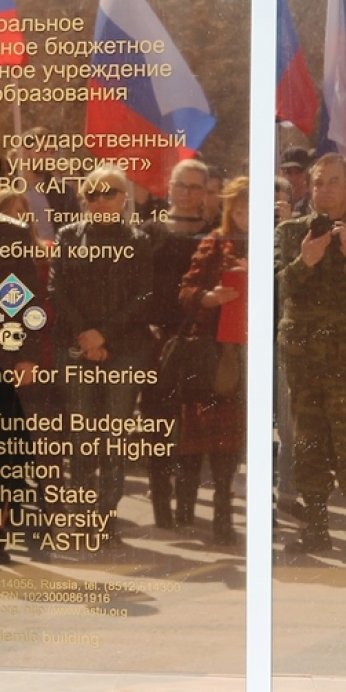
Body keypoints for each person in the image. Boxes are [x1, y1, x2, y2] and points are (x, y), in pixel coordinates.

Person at [275, 154, 346, 559]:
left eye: (333, 182)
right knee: (309, 442)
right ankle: (318, 530)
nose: (324, 189)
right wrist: (303, 261)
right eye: (319, 181)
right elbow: (277, 287)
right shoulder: (291, 232)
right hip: (304, 355)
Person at [50, 165, 154, 538]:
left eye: (108, 193)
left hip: (124, 349)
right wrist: (85, 335)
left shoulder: (139, 240)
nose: (99, 201)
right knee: (80, 434)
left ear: (123, 197)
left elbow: (144, 296)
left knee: (113, 434)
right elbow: (57, 290)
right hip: (76, 347)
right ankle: (80, 514)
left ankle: (106, 514)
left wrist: (103, 335)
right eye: (91, 194)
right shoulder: (67, 236)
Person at [175, 177, 249, 546]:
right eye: (239, 208)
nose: (245, 215)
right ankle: (196, 509)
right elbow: (186, 291)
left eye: (251, 208)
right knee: (207, 435)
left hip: (253, 350)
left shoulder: (278, 243)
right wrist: (210, 297)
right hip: (215, 352)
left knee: (235, 441)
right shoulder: (214, 243)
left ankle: (224, 510)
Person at [143, 158, 212, 529]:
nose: (187, 193)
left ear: (205, 192)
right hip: (156, 342)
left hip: (199, 344)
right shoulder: (148, 232)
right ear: (170, 187)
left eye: (195, 187)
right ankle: (161, 510)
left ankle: (186, 506)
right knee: (156, 425)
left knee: (193, 428)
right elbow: (135, 286)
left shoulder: (216, 233)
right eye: (181, 185)